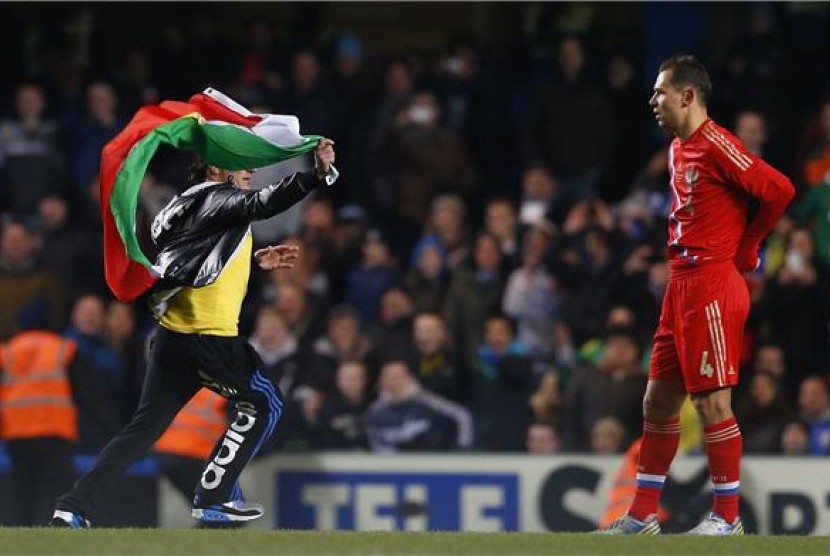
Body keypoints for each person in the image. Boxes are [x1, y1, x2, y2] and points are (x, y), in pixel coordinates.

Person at [50, 138, 337, 528]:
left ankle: (74, 507)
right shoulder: (219, 198)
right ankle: (215, 496)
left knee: (141, 430)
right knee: (265, 405)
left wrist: (249, 259)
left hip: (171, 338)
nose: (251, 171)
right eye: (241, 162)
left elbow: (188, 258)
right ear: (216, 169)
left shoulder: (183, 203)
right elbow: (264, 203)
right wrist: (315, 175)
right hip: (210, 338)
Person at [603, 55, 794, 535]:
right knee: (658, 400)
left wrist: (749, 244)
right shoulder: (676, 148)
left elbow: (779, 189)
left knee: (711, 404)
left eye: (660, 92)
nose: (653, 101)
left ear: (688, 96)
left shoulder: (716, 143)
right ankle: (643, 513)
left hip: (711, 283)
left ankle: (727, 519)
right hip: (680, 285)